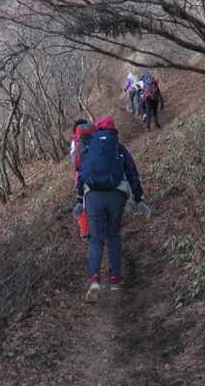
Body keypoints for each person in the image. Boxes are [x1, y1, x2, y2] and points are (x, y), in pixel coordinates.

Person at [73, 116, 151, 303]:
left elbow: (82, 173)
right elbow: (132, 171)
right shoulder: (118, 147)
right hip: (116, 196)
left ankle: (93, 279)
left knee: (97, 241)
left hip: (94, 197)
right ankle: (115, 278)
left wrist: (78, 199)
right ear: (114, 130)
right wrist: (138, 197)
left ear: (96, 130)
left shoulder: (91, 147)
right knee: (114, 235)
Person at [69, 118, 92, 240]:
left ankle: (85, 231)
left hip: (80, 174)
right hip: (95, 170)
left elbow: (74, 162)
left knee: (82, 200)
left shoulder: (75, 141)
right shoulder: (94, 136)